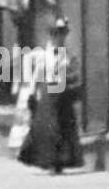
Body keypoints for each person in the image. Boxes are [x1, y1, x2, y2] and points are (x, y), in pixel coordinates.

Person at [19, 20, 83, 175]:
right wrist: (32, 93)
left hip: (63, 94)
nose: (59, 38)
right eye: (56, 35)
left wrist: (72, 80)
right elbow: (38, 74)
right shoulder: (43, 55)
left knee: (64, 127)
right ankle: (48, 161)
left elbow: (75, 74)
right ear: (51, 36)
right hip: (48, 94)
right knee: (49, 128)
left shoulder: (69, 55)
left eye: (61, 35)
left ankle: (61, 161)